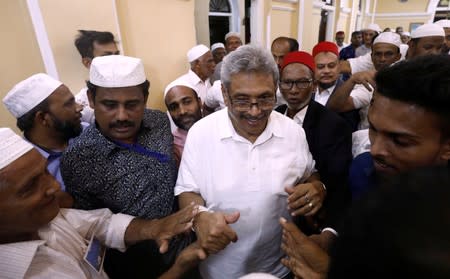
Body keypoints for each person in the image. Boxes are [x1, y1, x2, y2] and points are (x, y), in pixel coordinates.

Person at [175, 44, 324, 279]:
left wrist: (317, 188)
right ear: (224, 94)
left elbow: (309, 174)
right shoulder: (201, 133)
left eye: (265, 99)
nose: (255, 112)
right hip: (218, 270)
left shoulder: (293, 132)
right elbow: (187, 190)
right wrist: (200, 217)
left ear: (275, 90)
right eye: (242, 101)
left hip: (280, 267)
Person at [0, 127, 205, 279]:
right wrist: (180, 268)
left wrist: (155, 228)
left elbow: (102, 224)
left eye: (45, 171)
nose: (54, 186)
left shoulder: (43, 220)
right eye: (29, 187)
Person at [60, 55, 184, 278]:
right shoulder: (78, 158)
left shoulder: (159, 122)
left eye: (132, 104)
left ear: (145, 98)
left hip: (184, 242)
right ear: (90, 99)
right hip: (135, 265)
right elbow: (92, 226)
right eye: (109, 105)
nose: (122, 116)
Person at [281, 165, 450, 279]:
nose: (376, 149)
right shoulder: (363, 169)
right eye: (373, 130)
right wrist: (329, 237)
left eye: (400, 141)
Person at [275, 51, 352, 235]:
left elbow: (337, 179)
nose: (293, 90)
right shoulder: (274, 116)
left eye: (302, 82)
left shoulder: (333, 124)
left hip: (310, 213)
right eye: (287, 82)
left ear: (314, 85)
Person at [2, 73, 84, 208]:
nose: (79, 107)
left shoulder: (89, 132)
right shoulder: (27, 167)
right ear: (42, 118)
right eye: (69, 104)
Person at [327, 32, 402, 130]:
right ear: (371, 57)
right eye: (378, 54)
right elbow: (334, 107)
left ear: (398, 57)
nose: (382, 59)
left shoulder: (407, 81)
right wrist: (352, 80)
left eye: (388, 54)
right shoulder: (368, 84)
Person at [74, 30, 120, 124]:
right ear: (88, 63)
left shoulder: (133, 89)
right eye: (106, 57)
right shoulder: (80, 106)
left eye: (117, 55)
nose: (115, 61)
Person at [164, 79, 202, 163]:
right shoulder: (172, 147)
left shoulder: (218, 128)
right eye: (174, 107)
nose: (182, 111)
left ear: (199, 102)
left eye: (187, 102)